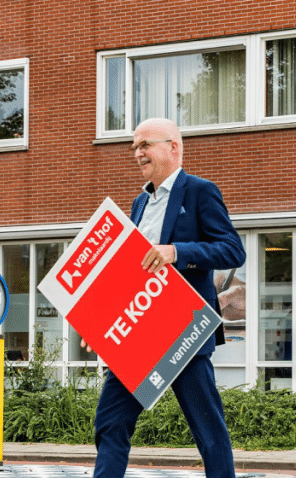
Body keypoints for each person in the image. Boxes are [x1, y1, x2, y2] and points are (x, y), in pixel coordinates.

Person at [85, 118, 245, 478]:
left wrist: (176, 251)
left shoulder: (200, 192)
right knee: (110, 421)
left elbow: (232, 250)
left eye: (145, 145)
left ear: (173, 147)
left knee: (208, 429)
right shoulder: (139, 203)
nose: (137, 153)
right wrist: (100, 321)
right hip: (139, 333)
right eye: (134, 147)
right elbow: (132, 272)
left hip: (183, 329)